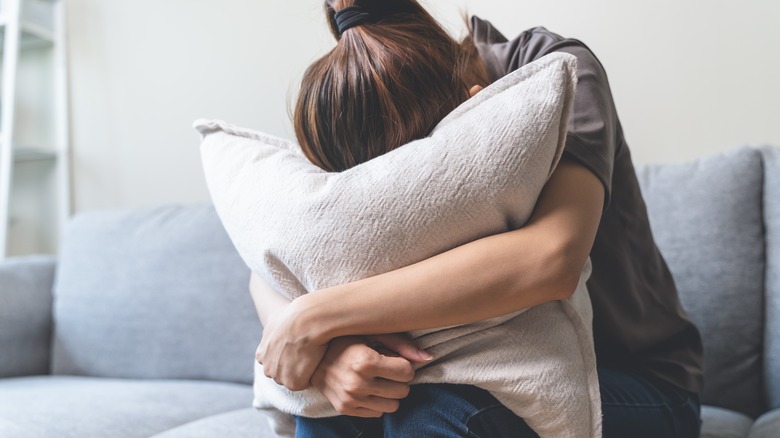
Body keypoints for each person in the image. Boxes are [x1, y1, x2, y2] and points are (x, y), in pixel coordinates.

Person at [250, 0, 704, 436]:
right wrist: (326, 355)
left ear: (476, 110)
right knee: (333, 409)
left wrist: (316, 318)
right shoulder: (354, 98)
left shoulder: (554, 69)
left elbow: (552, 257)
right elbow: (274, 261)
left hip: (637, 380)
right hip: (449, 368)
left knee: (442, 408)